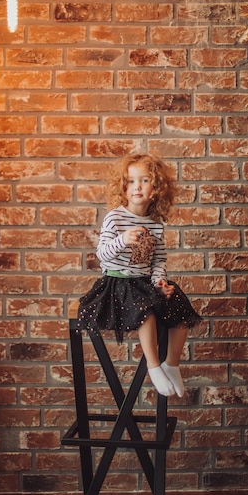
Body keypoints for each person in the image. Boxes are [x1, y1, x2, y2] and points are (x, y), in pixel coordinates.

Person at [77, 153, 201, 398]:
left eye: (144, 181)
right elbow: (102, 255)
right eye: (131, 181)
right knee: (147, 308)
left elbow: (158, 260)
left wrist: (159, 282)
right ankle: (154, 367)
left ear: (156, 188)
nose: (137, 187)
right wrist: (123, 239)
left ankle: (171, 364)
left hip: (144, 283)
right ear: (123, 187)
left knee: (180, 307)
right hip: (118, 282)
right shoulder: (115, 217)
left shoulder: (155, 224)